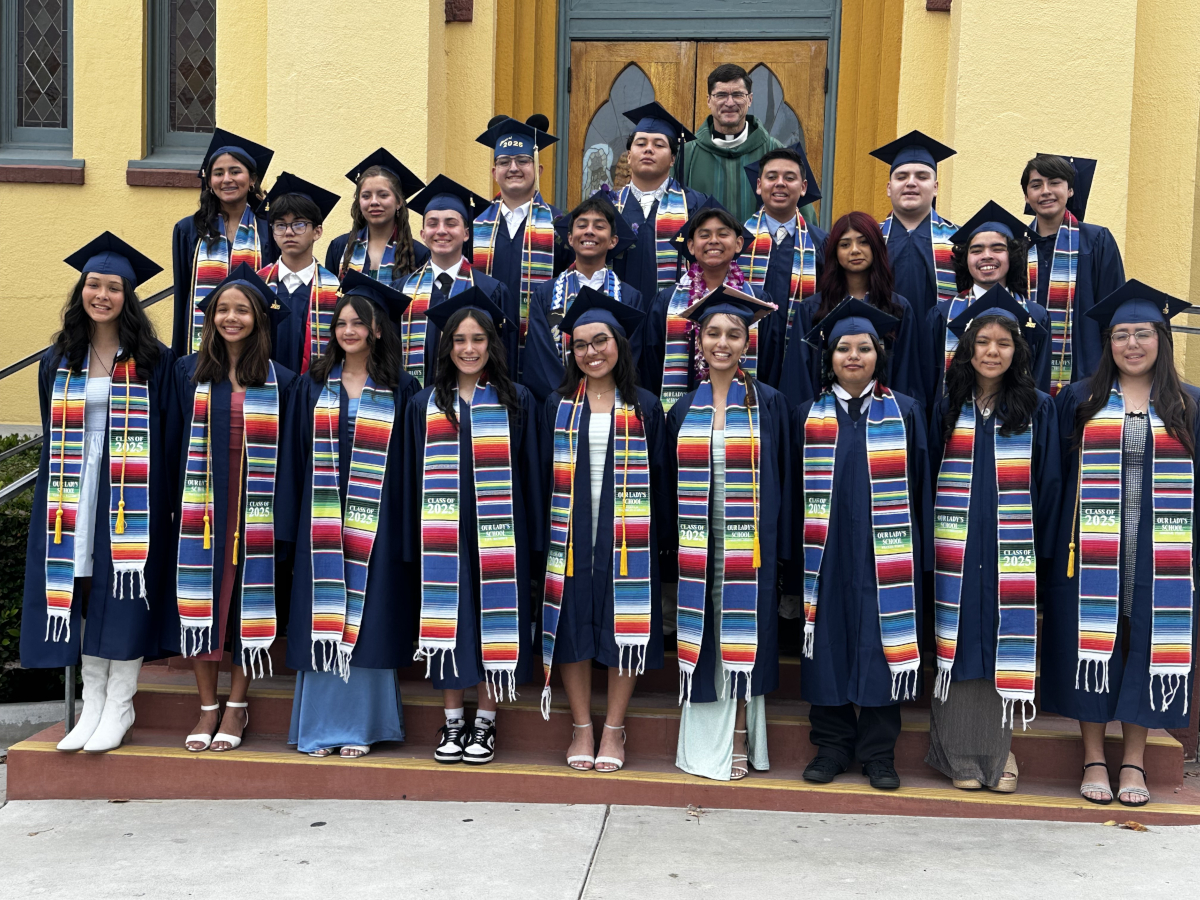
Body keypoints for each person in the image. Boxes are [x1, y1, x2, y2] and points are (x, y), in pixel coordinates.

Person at [1043, 281, 1199, 808]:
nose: (1132, 344)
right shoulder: (1081, 399)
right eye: (1121, 335)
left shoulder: (1189, 403)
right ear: (1108, 342)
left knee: (1146, 645)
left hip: (1163, 552)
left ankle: (1132, 759)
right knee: (1093, 646)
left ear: (1162, 338)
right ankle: (1092, 756)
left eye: (1143, 333)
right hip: (1089, 551)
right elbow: (1057, 479)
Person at [22, 233, 176, 753]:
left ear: (129, 297)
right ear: (81, 291)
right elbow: (50, 422)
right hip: (72, 486)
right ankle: (92, 702)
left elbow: (169, 431)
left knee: (123, 587)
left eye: (114, 287)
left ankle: (121, 702)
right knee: (84, 586)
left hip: (129, 489)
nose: (102, 295)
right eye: (94, 285)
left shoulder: (155, 360)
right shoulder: (59, 357)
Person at [925, 286, 1062, 792]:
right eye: (982, 341)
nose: (992, 351)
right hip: (954, 549)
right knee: (958, 643)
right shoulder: (946, 408)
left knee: (1003, 638)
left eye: (1004, 343)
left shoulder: (1037, 410)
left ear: (1017, 352)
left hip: (1010, 550)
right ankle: (958, 753)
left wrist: (1039, 556)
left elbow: (1048, 486)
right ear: (967, 349)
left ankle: (1000, 753)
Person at [279, 270, 420, 758]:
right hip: (319, 516)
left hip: (376, 518)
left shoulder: (402, 386)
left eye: (358, 322)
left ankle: (362, 726)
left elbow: (409, 465)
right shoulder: (312, 384)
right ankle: (319, 726)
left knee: (372, 614)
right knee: (322, 609)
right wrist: (291, 522)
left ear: (378, 328)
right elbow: (294, 457)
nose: (348, 330)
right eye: (340, 323)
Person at [792, 298, 932, 790]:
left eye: (864, 348)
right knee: (824, 643)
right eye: (843, 348)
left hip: (885, 556)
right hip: (825, 554)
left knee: (881, 643)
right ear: (828, 357)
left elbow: (922, 489)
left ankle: (878, 753)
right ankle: (830, 747)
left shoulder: (907, 412)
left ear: (879, 355)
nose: (854, 356)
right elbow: (791, 490)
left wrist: (921, 557)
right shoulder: (807, 416)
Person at [403, 291, 544, 766]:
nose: (468, 348)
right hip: (441, 532)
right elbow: (407, 474)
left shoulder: (514, 398)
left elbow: (530, 472)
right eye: (459, 340)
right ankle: (452, 719)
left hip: (500, 529)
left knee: (492, 616)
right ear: (446, 347)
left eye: (478, 339)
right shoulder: (425, 402)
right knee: (451, 614)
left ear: (491, 345)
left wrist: (533, 538)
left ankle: (485, 719)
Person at [164, 265, 296, 753]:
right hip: (203, 512)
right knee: (204, 603)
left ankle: (237, 703)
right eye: (222, 309)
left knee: (246, 605)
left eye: (242, 309)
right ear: (210, 316)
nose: (231, 317)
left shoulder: (283, 381)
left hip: (255, 511)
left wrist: (280, 520)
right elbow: (173, 443)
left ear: (260, 318)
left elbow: (293, 457)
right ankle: (206, 705)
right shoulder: (187, 372)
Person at [540, 288, 673, 772]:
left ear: (619, 344)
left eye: (600, 342)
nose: (591, 352)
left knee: (626, 624)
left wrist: (659, 550)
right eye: (580, 345)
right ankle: (581, 725)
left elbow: (661, 481)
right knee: (570, 621)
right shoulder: (555, 407)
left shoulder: (646, 408)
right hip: (569, 535)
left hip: (626, 539)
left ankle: (614, 728)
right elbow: (538, 477)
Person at [668, 289, 791, 782]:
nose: (723, 343)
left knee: (744, 631)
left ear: (747, 342)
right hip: (698, 542)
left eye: (733, 334)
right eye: (714, 333)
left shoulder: (769, 404)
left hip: (750, 544)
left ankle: (740, 730)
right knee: (705, 626)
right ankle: (702, 732)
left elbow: (783, 477)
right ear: (699, 341)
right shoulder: (681, 409)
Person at [781, 211, 922, 407]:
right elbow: (799, 378)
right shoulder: (812, 309)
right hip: (823, 418)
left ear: (876, 247)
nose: (854, 250)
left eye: (863, 242)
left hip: (884, 419)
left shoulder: (898, 308)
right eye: (845, 244)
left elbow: (907, 373)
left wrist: (900, 415)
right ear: (834, 253)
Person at [639, 206, 773, 411]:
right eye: (704, 235)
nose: (713, 241)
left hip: (745, 414)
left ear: (738, 243)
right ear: (691, 246)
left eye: (723, 234)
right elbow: (652, 366)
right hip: (679, 412)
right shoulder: (666, 302)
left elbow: (768, 364)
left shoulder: (756, 301)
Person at [473, 115, 573, 370]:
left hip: (542, 351)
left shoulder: (560, 225)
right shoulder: (474, 227)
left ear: (538, 169)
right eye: (504, 162)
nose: (514, 168)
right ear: (495, 172)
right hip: (484, 352)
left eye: (523, 160)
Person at [1021, 153, 1126, 394]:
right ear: (1027, 196)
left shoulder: (1096, 241)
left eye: (1055, 182)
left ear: (1070, 190)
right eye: (1036, 185)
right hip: (1025, 371)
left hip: (1084, 369)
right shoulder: (1017, 244)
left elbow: (1111, 310)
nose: (1045, 191)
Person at [397, 175, 516, 386]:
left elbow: (504, 361)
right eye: (433, 224)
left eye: (451, 223)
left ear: (466, 233)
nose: (441, 230)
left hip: (476, 407)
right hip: (415, 408)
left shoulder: (491, 291)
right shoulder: (401, 291)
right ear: (423, 234)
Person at [926, 201, 1052, 400]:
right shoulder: (942, 315)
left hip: (1018, 422)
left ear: (1012, 256)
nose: (986, 256)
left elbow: (1041, 381)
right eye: (976, 250)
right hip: (955, 424)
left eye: (997, 249)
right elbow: (930, 385)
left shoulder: (1034, 316)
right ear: (965, 259)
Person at [524, 194, 640, 403]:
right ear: (570, 238)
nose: (589, 231)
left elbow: (633, 356)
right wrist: (564, 398)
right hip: (559, 405)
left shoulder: (630, 297)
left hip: (613, 404)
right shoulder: (545, 295)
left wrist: (602, 395)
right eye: (582, 225)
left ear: (613, 240)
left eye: (599, 226)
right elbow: (540, 358)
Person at [171, 129, 276, 357]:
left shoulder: (269, 228)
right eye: (218, 173)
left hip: (256, 344)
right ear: (209, 181)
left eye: (235, 171)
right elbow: (182, 297)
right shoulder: (188, 230)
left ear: (252, 180)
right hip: (202, 343)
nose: (227, 179)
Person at [738, 147, 829, 388]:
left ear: (803, 187)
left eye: (789, 178)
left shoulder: (820, 244)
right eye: (772, 177)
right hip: (745, 356)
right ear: (759, 186)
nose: (780, 183)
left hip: (801, 359)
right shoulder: (736, 241)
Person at [601, 102, 708, 303]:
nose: (648, 150)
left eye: (659, 145)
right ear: (629, 155)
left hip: (675, 317)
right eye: (641, 144)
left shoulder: (695, 205)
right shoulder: (607, 206)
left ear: (672, 159)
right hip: (618, 319)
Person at [870, 131, 958, 334]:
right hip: (883, 351)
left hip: (938, 352)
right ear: (889, 188)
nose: (911, 182)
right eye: (902, 177)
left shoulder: (959, 241)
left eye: (922, 176)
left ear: (935, 188)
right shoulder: (869, 239)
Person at [256, 172, 342, 374]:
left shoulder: (334, 290)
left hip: (314, 392)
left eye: (299, 224)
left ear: (317, 232)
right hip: (263, 388)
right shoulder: (257, 283)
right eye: (280, 225)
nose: (288, 232)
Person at [682, 64, 784, 224]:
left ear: (749, 99)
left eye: (737, 95)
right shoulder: (686, 154)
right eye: (721, 95)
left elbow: (800, 217)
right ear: (709, 100)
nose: (729, 103)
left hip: (762, 248)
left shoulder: (776, 152)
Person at [325, 148, 430, 284]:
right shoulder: (339, 248)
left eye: (383, 195)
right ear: (359, 201)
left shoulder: (417, 254)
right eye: (366, 196)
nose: (374, 202)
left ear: (399, 202)